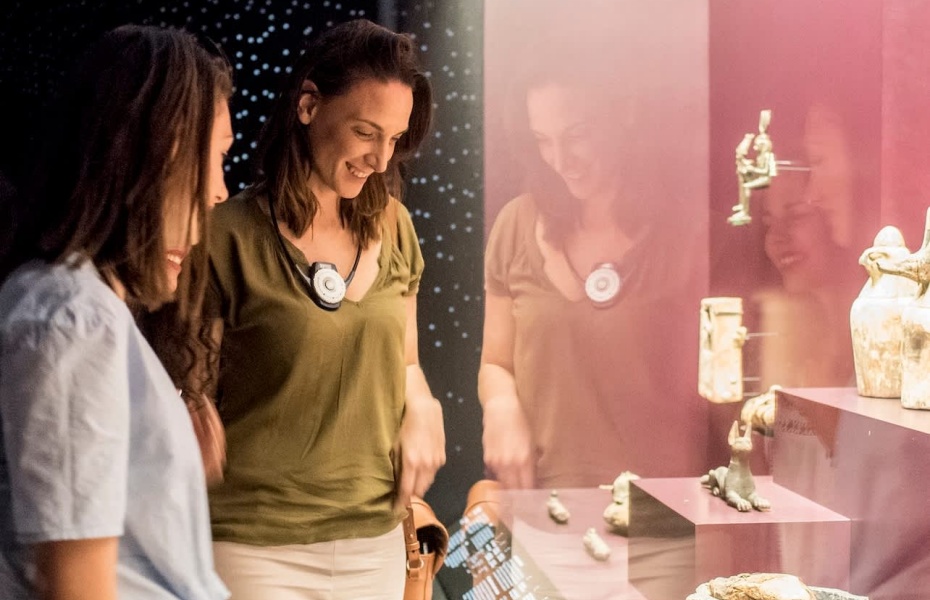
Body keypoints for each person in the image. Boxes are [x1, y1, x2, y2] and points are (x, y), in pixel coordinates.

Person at [198, 19, 445, 599]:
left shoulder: (397, 227)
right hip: (254, 544)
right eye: (365, 132)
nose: (380, 160)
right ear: (309, 105)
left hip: (374, 540)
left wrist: (422, 401)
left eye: (394, 139)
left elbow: (406, 361)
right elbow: (193, 388)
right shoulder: (226, 235)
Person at [0, 25, 233, 600]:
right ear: (163, 153)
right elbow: (76, 585)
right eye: (217, 157)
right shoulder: (72, 319)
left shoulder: (80, 310)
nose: (220, 191)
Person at [479, 56, 705, 490]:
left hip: (662, 512)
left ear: (625, 112)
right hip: (544, 506)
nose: (561, 160)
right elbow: (495, 362)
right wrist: (501, 407)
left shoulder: (688, 236)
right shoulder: (515, 224)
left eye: (577, 135)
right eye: (543, 140)